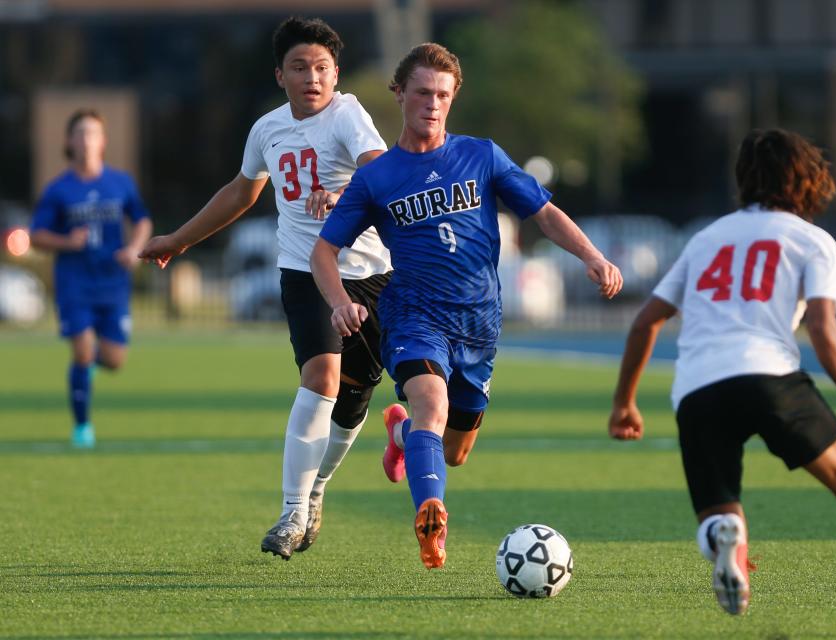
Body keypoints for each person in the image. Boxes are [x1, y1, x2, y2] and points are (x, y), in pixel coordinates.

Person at [607, 129, 836, 637]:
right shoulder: (812, 240)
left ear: (745, 180)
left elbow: (644, 322)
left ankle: (730, 541)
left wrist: (624, 405)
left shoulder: (706, 239)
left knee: (718, 509)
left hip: (699, 390)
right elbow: (822, 327)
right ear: (811, 179)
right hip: (771, 378)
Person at [312, 43, 623, 570]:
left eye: (443, 95)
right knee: (431, 405)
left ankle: (400, 434)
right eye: (422, 93)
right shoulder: (377, 177)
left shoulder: (482, 155)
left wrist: (591, 255)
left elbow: (542, 213)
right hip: (413, 315)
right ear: (400, 94)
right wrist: (341, 302)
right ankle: (430, 517)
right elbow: (324, 250)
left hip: (480, 323)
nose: (432, 104)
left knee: (453, 450)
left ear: (453, 98)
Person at [138, 16, 391, 560]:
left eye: (321, 67)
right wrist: (178, 240)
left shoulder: (349, 114)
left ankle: (316, 488)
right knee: (321, 375)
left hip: (370, 273)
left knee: (353, 402)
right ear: (280, 75)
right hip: (304, 271)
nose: (312, 77)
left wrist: (343, 194)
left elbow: (379, 168)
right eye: (299, 67)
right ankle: (291, 511)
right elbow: (240, 193)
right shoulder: (267, 130)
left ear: (335, 73)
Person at [29, 109, 153, 449]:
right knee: (82, 352)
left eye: (93, 133)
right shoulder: (59, 190)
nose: (87, 140)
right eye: (80, 133)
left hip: (113, 283)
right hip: (75, 283)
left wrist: (134, 248)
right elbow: (36, 235)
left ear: (103, 140)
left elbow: (142, 220)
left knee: (113, 360)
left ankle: (87, 370)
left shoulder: (120, 182)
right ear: (69, 141)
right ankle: (82, 427)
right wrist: (67, 242)